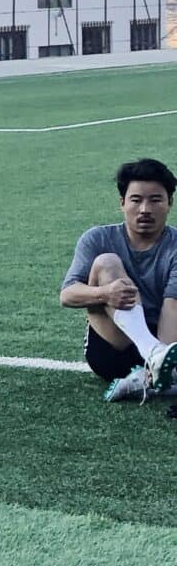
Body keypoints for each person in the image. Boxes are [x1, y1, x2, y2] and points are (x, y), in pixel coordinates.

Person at [58, 159, 177, 403]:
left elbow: (172, 307)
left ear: (169, 204)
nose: (145, 209)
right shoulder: (97, 238)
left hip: (165, 342)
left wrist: (164, 360)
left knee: (164, 358)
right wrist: (104, 293)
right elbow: (67, 295)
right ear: (122, 203)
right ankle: (155, 361)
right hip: (113, 348)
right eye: (136, 200)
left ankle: (154, 372)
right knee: (106, 262)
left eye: (155, 200)